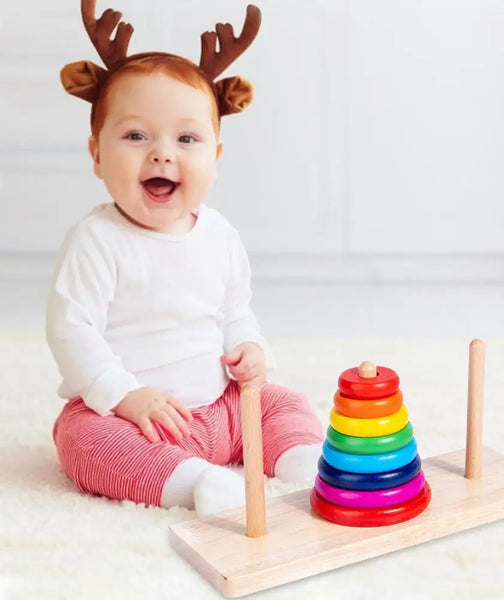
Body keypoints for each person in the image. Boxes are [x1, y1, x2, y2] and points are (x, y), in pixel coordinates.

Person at [47, 2, 324, 515]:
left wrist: (248, 348)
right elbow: (72, 331)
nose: (162, 154)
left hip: (221, 409)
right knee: (82, 440)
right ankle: (190, 482)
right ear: (96, 154)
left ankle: (303, 457)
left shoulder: (218, 235)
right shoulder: (97, 240)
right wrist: (125, 396)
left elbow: (235, 310)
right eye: (135, 136)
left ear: (214, 156)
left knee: (281, 402)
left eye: (187, 138)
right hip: (132, 419)